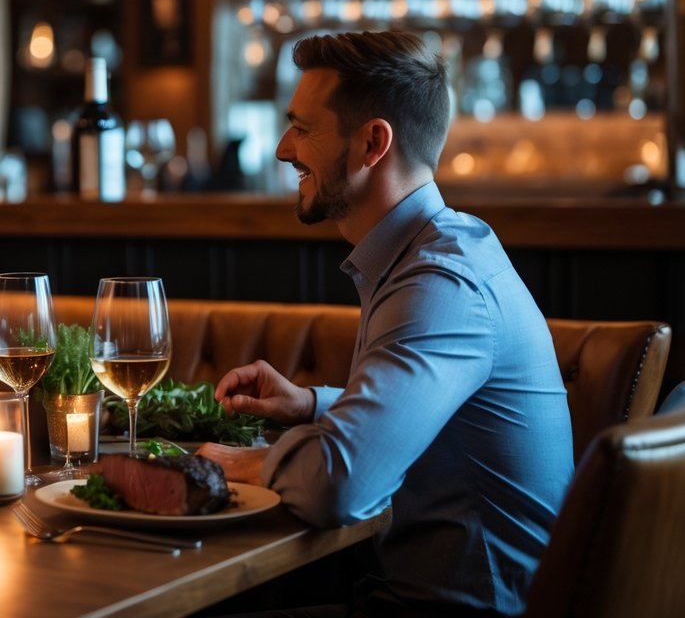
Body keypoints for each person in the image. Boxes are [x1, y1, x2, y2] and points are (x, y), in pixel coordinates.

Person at [197, 31, 573, 617]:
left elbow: (340, 486)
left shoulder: (442, 285)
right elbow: (433, 419)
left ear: (373, 142)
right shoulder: (428, 252)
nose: (282, 148)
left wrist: (243, 463)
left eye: (302, 127)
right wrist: (314, 407)